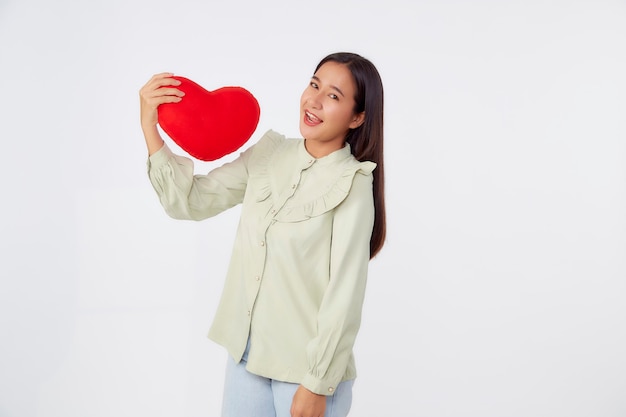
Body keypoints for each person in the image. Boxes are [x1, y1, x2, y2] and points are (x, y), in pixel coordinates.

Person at [139, 52, 386, 417]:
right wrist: (150, 126)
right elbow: (190, 202)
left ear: (358, 116)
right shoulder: (268, 154)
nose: (314, 100)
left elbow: (344, 295)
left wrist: (317, 383)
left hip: (305, 374)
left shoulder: (352, 183)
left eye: (333, 96)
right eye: (314, 85)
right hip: (245, 360)